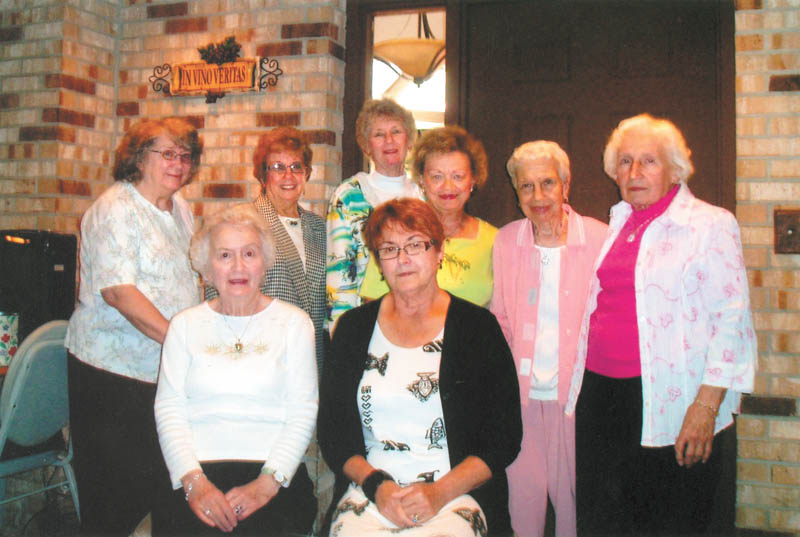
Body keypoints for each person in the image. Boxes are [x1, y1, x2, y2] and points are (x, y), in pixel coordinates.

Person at [565, 114, 756, 536]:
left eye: (648, 161)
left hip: (671, 401)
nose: (634, 173)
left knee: (669, 518)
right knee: (605, 519)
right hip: (601, 395)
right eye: (625, 161)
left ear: (674, 169)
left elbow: (732, 319)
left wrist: (705, 407)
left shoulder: (709, 224)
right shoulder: (618, 223)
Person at [318, 198, 522, 537]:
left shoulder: (478, 328)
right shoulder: (353, 329)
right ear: (378, 262)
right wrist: (376, 486)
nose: (403, 259)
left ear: (439, 251)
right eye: (389, 249)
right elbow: (334, 435)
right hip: (371, 494)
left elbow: (504, 439)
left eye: (415, 245)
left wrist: (438, 493)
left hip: (455, 495)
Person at [64, 117, 202, 536]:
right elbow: (119, 293)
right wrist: (181, 341)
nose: (178, 163)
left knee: (160, 486)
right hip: (111, 376)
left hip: (158, 372)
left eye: (185, 155)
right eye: (167, 154)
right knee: (113, 499)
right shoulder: (115, 207)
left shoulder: (181, 209)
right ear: (139, 157)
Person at [152, 204, 318, 536]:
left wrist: (266, 485)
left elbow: (303, 410)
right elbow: (169, 408)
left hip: (273, 475)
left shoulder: (294, 324)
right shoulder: (184, 325)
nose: (238, 266)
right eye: (225, 255)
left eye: (249, 253)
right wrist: (194, 482)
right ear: (206, 267)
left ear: (265, 262)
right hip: (196, 474)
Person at [491, 141, 607, 537]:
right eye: (527, 187)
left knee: (574, 501)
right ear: (517, 192)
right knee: (522, 501)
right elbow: (501, 317)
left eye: (547, 183)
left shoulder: (598, 237)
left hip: (577, 398)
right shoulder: (507, 240)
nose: (538, 196)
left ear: (565, 186)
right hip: (522, 399)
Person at [206, 127, 326, 371]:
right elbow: (215, 294)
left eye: (296, 167)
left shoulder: (318, 227)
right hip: (258, 355)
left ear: (307, 174)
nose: (288, 176)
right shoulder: (243, 222)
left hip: (311, 358)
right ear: (263, 176)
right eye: (278, 168)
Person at [360, 126, 497, 306]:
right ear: (422, 180)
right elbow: (372, 305)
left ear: (473, 180)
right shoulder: (396, 232)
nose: (448, 187)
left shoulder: (495, 240)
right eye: (437, 177)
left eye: (458, 176)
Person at [326, 99, 423, 330]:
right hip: (365, 322)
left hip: (418, 319)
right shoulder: (348, 196)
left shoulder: (423, 194)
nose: (389, 140)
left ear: (409, 140)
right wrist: (342, 334)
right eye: (379, 134)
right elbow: (339, 272)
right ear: (367, 146)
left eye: (396, 132)